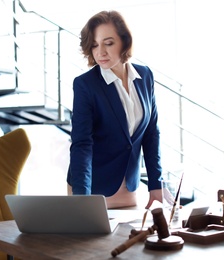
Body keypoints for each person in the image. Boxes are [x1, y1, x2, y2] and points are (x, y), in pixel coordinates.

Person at [66, 10, 163, 209]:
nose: (100, 52)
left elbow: (151, 134)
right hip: (92, 188)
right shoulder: (85, 85)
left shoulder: (145, 77)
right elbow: (82, 144)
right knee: (90, 241)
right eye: (94, 45)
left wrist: (156, 185)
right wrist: (82, 199)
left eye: (108, 43)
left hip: (129, 187)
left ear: (125, 42)